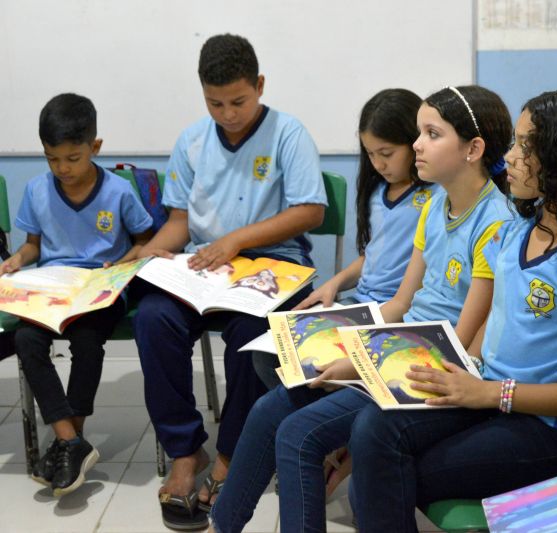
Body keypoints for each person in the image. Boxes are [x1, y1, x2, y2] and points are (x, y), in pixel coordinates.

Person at [346, 87, 557, 532]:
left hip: (550, 428)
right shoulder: (517, 232)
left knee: (387, 471)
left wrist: (492, 393)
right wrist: (465, 372)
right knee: (374, 431)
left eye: (524, 146)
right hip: (491, 395)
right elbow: (494, 317)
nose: (508, 156)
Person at [209, 85, 514, 533]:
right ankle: (223, 524)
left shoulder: (496, 224)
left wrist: (359, 363)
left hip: (434, 368)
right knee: (267, 410)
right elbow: (400, 304)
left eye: (431, 134)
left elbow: (460, 348)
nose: (417, 146)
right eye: (417, 133)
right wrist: (345, 341)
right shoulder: (434, 205)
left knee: (297, 436)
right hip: (403, 347)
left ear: (473, 149)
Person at [131, 34, 327, 530]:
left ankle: (231, 457)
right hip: (207, 267)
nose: (228, 113)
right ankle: (184, 451)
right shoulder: (192, 139)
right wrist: (155, 248)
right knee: (154, 318)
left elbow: (310, 210)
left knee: (250, 337)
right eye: (214, 103)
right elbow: (179, 220)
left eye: (238, 101)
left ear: (259, 86)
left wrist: (238, 240)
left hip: (272, 267)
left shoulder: (288, 133)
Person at [0, 93, 153, 496]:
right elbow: (33, 245)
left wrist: (121, 264)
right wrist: (16, 260)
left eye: (72, 158)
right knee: (27, 339)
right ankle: (70, 440)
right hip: (53, 289)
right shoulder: (37, 190)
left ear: (95, 147)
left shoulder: (118, 192)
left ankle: (71, 438)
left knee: (86, 341)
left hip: (101, 291)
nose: (62, 169)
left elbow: (144, 243)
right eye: (52, 159)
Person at [295, 88, 431, 309]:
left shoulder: (435, 195)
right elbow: (372, 258)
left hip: (401, 309)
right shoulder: (376, 191)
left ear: (414, 142)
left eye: (387, 154)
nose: (378, 164)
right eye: (370, 153)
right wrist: (334, 284)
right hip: (361, 302)